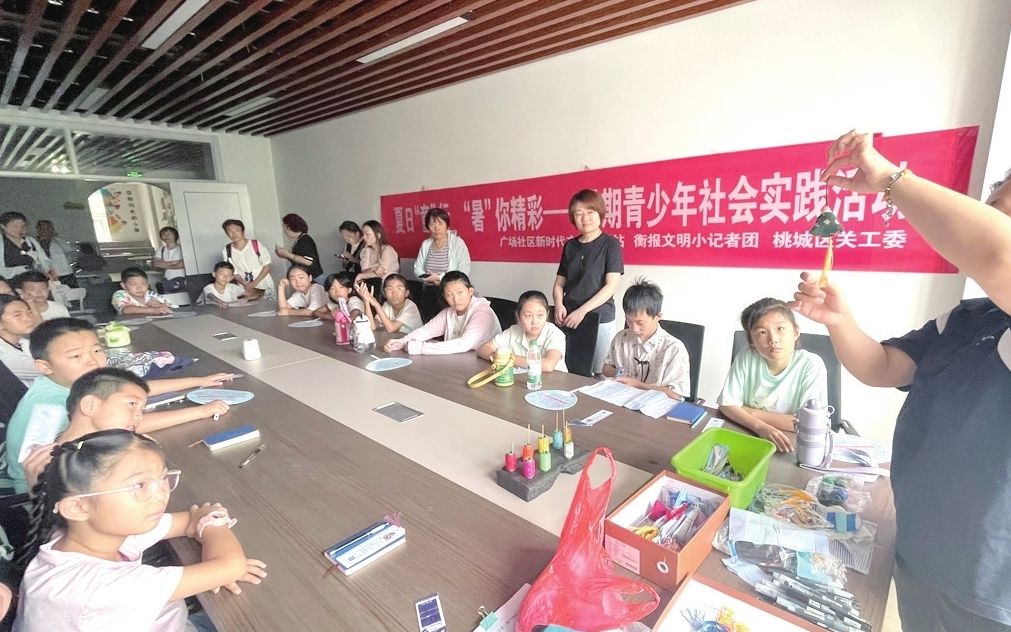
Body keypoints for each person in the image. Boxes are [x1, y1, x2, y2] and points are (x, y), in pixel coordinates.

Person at [790, 130, 1011, 630]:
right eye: (992, 211)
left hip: (988, 586)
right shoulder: (968, 318)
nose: (992, 225)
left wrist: (890, 180)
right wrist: (840, 322)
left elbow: (1000, 256)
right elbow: (881, 366)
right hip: (919, 548)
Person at [14, 429, 266, 631]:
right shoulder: (101, 587)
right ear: (78, 507)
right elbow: (231, 565)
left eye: (163, 478)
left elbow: (188, 521)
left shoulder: (90, 534)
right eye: (139, 485)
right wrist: (215, 522)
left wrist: (213, 553)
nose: (160, 494)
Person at [5, 318, 233, 494]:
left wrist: (199, 381)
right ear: (45, 366)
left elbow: (130, 389)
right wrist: (201, 411)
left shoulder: (64, 382)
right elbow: (126, 425)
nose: (92, 360)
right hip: (40, 491)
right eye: (76, 356)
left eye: (96, 350)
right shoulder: (52, 403)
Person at [717, 298, 826, 453]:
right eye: (762, 332)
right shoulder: (746, 357)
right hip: (748, 433)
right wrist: (760, 427)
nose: (773, 340)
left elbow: (807, 423)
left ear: (796, 332)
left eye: (780, 328)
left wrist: (749, 412)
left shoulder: (811, 365)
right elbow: (726, 405)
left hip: (792, 444)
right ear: (751, 341)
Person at [552, 189, 624, 375]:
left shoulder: (611, 244)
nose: (585, 218)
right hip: (569, 318)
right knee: (571, 372)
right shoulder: (570, 246)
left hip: (599, 318)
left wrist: (582, 311)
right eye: (579, 213)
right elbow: (559, 283)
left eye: (590, 212)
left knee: (599, 373)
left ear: (600, 213)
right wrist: (558, 304)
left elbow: (611, 286)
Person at [601, 279, 689, 399]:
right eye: (629, 321)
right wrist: (618, 373)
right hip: (621, 399)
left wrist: (637, 385)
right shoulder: (621, 338)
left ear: (658, 316)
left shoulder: (674, 348)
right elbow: (606, 368)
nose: (634, 329)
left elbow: (675, 395)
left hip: (656, 405)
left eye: (640, 323)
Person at [385, 271, 500, 355]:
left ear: (470, 291)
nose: (455, 299)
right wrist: (402, 342)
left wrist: (420, 348)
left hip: (484, 364)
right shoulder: (449, 312)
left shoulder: (482, 312)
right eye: (449, 295)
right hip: (457, 361)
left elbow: (464, 344)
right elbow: (426, 331)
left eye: (460, 292)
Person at [478, 290, 567, 372]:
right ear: (518, 316)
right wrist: (499, 358)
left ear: (547, 314)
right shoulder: (513, 331)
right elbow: (483, 350)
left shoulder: (555, 334)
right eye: (528, 316)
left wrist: (509, 358)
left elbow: (548, 365)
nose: (535, 322)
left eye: (540, 315)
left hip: (554, 382)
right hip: (523, 381)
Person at [413, 208, 472, 319]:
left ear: (447, 225)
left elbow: (464, 271)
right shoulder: (426, 244)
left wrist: (440, 279)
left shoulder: (457, 243)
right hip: (429, 292)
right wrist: (428, 278)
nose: (437, 228)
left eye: (440, 223)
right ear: (428, 227)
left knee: (449, 323)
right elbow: (417, 269)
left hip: (451, 292)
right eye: (432, 224)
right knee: (428, 322)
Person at [221, 219, 274, 300]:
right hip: (244, 285)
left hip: (262, 281)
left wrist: (254, 283)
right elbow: (233, 271)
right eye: (230, 231)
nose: (234, 234)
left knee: (269, 304)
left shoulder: (255, 244)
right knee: (248, 306)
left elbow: (267, 265)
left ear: (243, 231)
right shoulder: (227, 250)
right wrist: (245, 284)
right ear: (226, 233)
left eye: (237, 230)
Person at [356, 274, 423, 334]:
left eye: (399, 289)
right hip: (397, 341)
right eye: (389, 289)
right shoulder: (386, 305)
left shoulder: (411, 307)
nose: (394, 293)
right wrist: (366, 301)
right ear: (384, 294)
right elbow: (372, 327)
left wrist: (376, 304)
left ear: (406, 293)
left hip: (415, 342)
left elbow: (391, 329)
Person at [0, 212, 52, 281]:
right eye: (15, 226)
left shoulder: (31, 241)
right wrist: (24, 269)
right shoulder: (2, 243)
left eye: (23, 226)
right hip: (7, 282)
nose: (20, 229)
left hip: (32, 281)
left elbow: (44, 261)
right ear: (3, 226)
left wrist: (43, 270)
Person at [0, 295, 39, 386]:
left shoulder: (23, 342)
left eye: (29, 313)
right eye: (17, 315)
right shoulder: (3, 354)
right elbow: (49, 369)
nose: (28, 319)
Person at [275, 213, 322, 279]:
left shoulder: (305, 240)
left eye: (285, 227)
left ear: (291, 227)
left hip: (314, 278)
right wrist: (285, 255)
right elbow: (299, 259)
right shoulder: (300, 239)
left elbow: (308, 261)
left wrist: (288, 254)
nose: (284, 231)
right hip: (309, 277)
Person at [354, 220, 399, 288]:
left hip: (390, 286)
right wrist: (374, 269)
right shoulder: (366, 250)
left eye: (367, 234)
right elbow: (364, 271)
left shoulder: (387, 249)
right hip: (374, 285)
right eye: (363, 234)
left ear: (378, 235)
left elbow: (382, 273)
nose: (364, 237)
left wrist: (361, 275)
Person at [35, 220, 77, 288]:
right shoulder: (34, 243)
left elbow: (72, 254)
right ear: (38, 230)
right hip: (46, 277)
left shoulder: (59, 241)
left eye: (47, 228)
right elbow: (36, 263)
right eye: (42, 228)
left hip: (66, 275)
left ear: (51, 229)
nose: (44, 231)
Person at [152, 226, 187, 293]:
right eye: (163, 234)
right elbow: (157, 264)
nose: (166, 236)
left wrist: (165, 265)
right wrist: (175, 262)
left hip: (183, 280)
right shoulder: (161, 250)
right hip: (167, 281)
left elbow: (183, 264)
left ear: (175, 235)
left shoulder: (182, 248)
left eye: (169, 234)